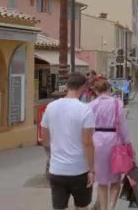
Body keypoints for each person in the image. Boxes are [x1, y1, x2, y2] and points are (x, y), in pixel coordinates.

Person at [41, 72, 96, 210]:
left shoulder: (50, 107)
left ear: (67, 86)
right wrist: (91, 170)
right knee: (82, 207)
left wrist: (52, 156)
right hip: (79, 170)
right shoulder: (85, 110)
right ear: (83, 87)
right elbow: (87, 142)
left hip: (57, 170)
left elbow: (45, 140)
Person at [89, 77, 132, 210]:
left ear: (96, 91)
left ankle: (103, 208)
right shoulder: (116, 103)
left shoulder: (91, 105)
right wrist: (128, 143)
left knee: (102, 181)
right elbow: (123, 127)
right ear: (109, 89)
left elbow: (87, 127)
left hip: (97, 141)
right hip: (114, 141)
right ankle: (112, 207)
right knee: (115, 179)